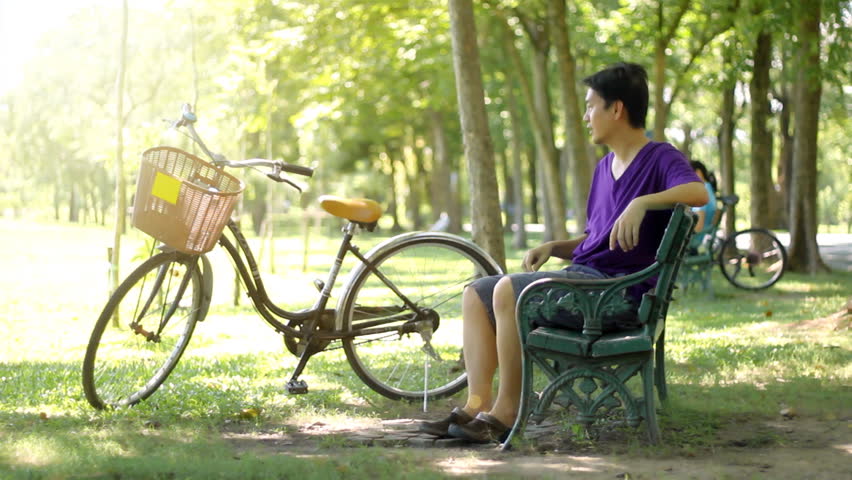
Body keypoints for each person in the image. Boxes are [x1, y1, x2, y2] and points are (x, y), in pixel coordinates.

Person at [418, 62, 709, 444]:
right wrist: (556, 247)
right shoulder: (605, 167)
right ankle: (476, 404)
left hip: (615, 294)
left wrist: (642, 202)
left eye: (591, 106)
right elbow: (598, 238)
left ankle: (507, 412)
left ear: (616, 109)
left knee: (508, 290)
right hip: (586, 281)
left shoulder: (660, 157)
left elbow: (698, 193)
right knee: (476, 294)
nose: (586, 116)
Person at [687, 160, 718, 251]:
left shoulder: (701, 192)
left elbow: (698, 227)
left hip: (692, 241)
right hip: (698, 239)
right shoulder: (708, 189)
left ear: (698, 173)